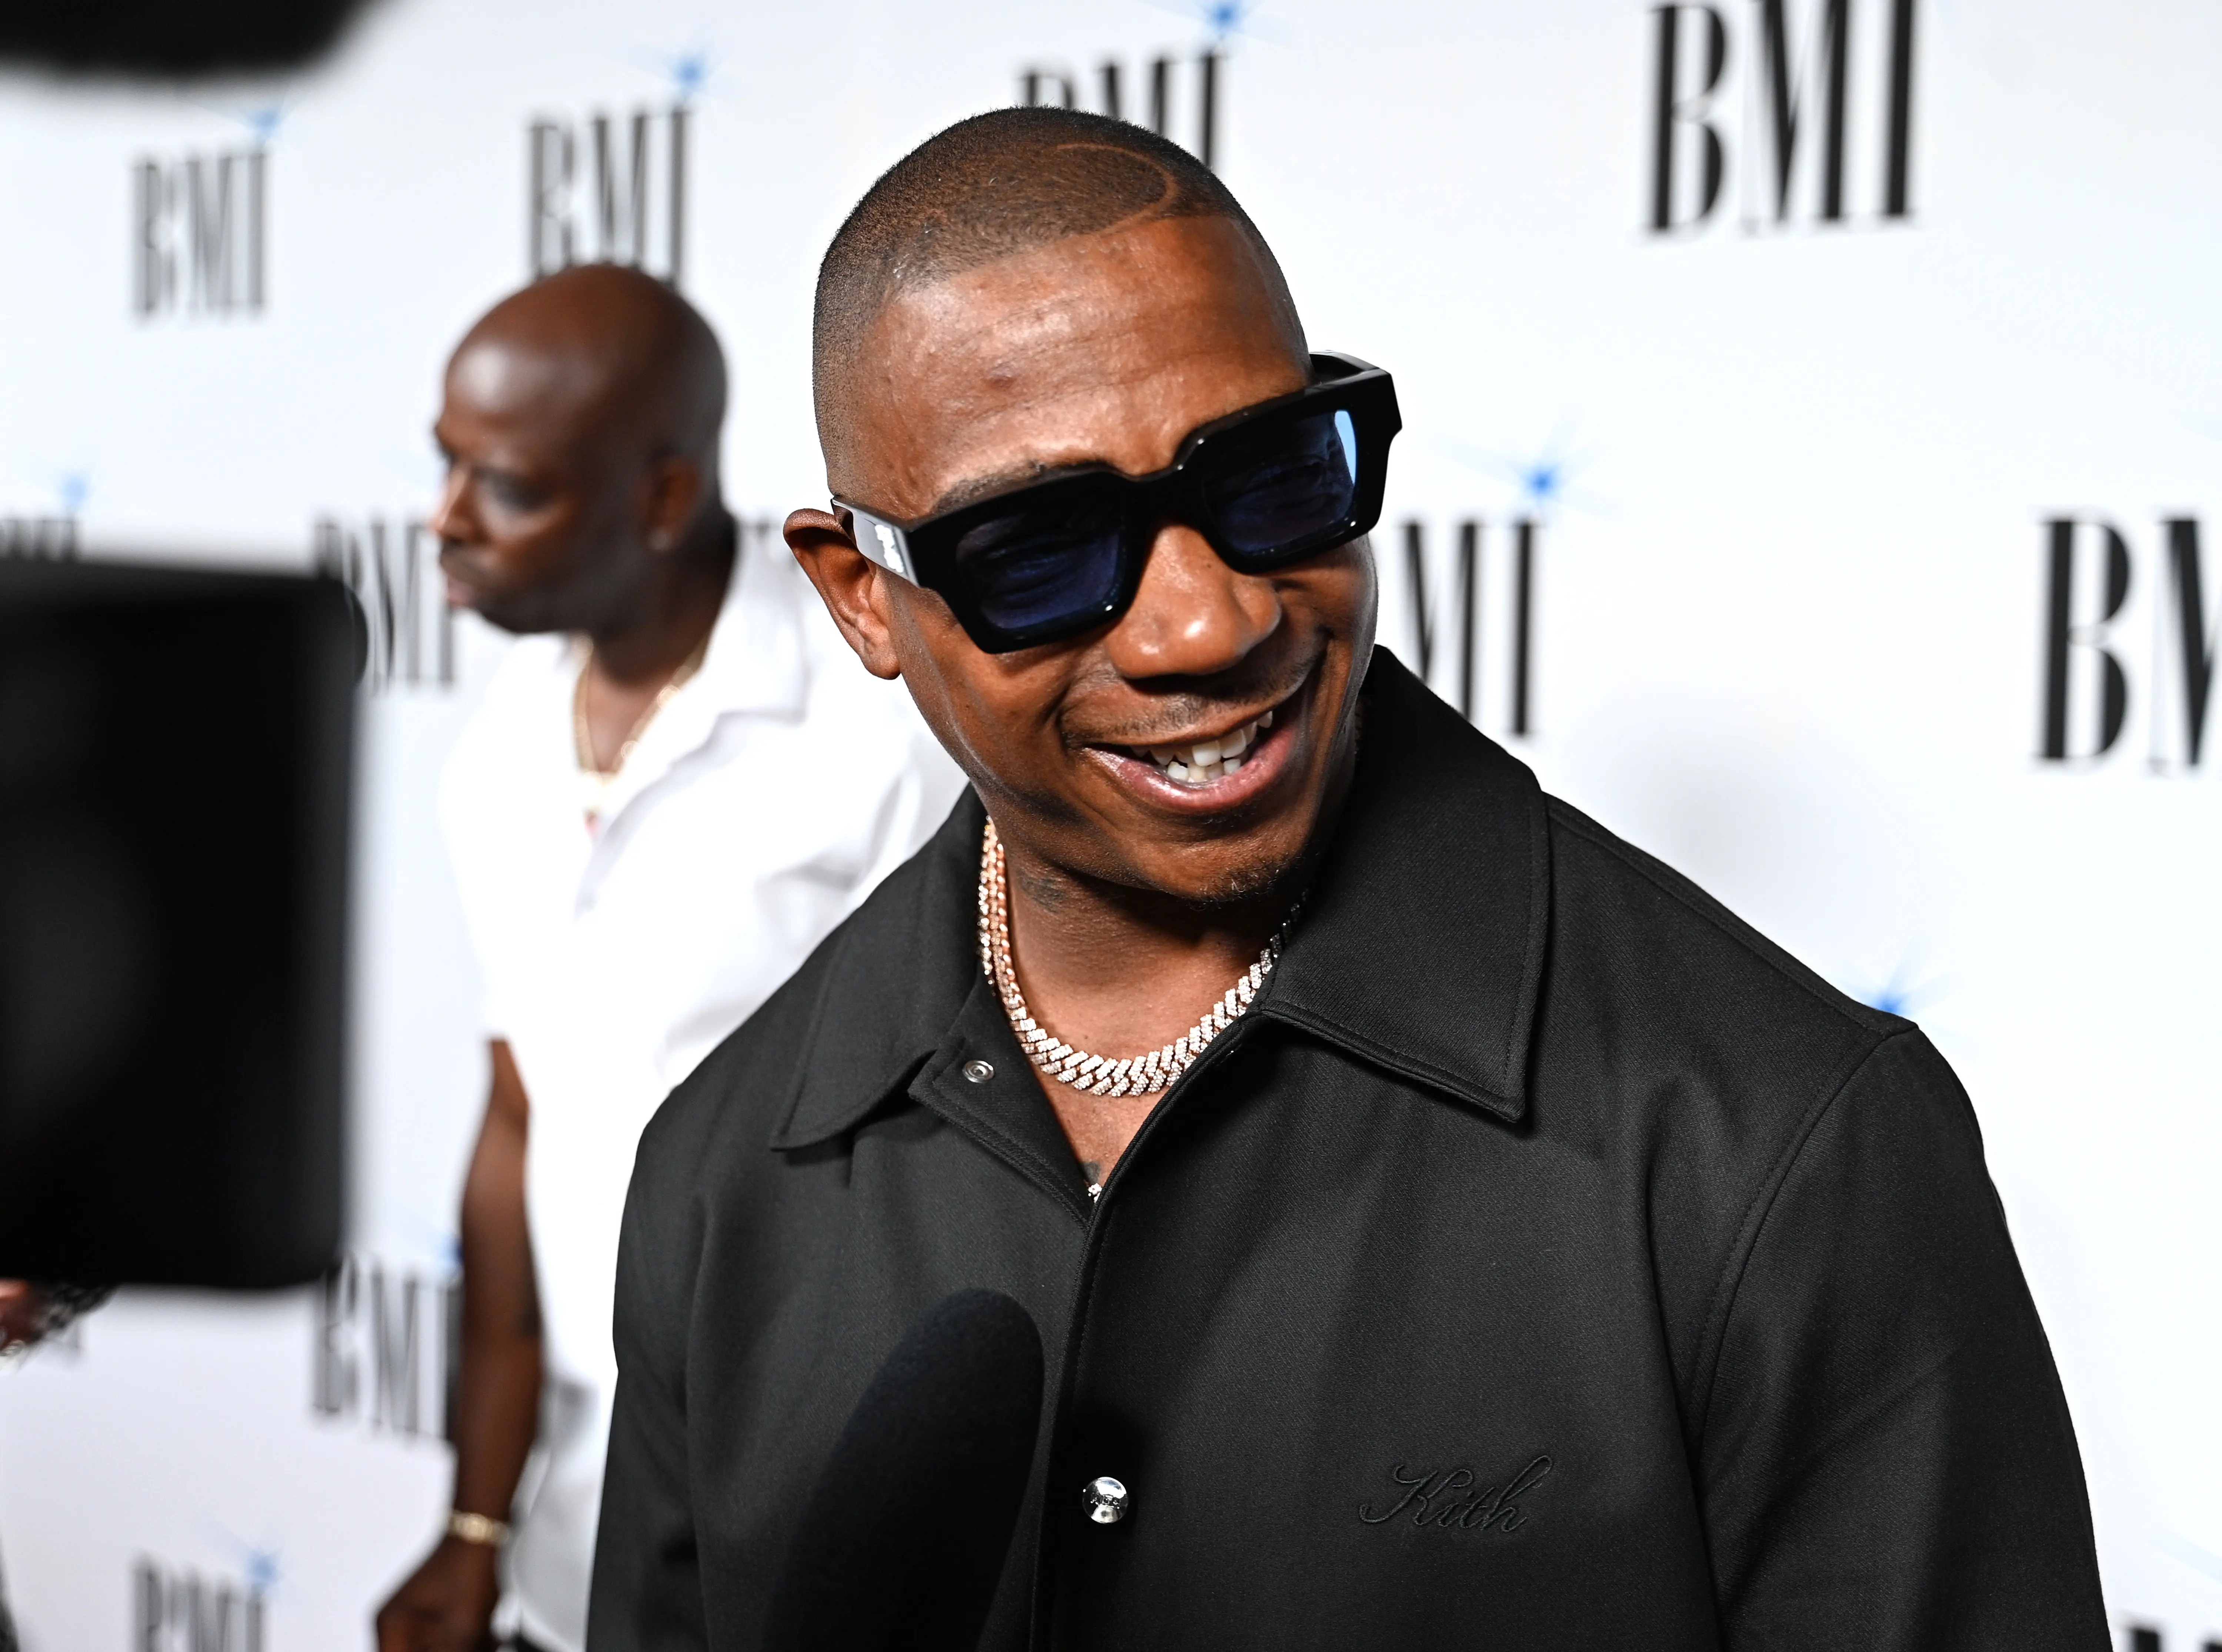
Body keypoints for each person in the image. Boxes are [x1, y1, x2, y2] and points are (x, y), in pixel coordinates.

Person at [587, 110, 2109, 1650]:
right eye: (1040, 547)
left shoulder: (1785, 1144)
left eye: (1268, 477)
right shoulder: (723, 1172)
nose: (1207, 621)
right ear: (863, 595)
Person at [373, 264, 959, 1652]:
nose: (442, 521)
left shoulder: (879, 728)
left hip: (817, 1558)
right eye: (444, 468)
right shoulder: (502, 753)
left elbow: (954, 1179)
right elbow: (525, 1127)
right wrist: (477, 1523)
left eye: (504, 485)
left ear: (662, 496)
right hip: (571, 1557)